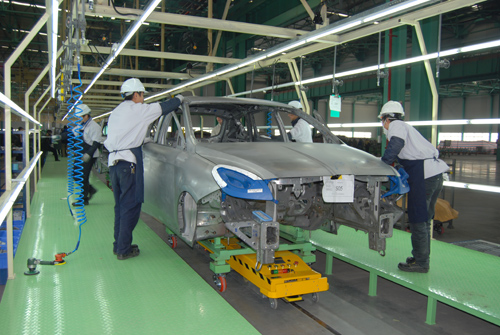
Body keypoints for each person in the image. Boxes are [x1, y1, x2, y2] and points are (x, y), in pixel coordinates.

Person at [104, 78, 183, 260]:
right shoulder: (138, 109)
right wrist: (179, 98)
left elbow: (126, 133)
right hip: (127, 165)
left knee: (120, 207)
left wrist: (140, 140)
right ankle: (124, 250)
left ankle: (119, 245)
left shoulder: (116, 112)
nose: (143, 99)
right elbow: (164, 107)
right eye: (142, 95)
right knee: (130, 207)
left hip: (114, 164)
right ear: (137, 94)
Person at [379, 101, 449, 273]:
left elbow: (395, 145)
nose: (383, 124)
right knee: (424, 220)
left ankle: (421, 263)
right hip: (434, 175)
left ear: (387, 118)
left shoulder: (396, 125)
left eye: (382, 120)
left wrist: (381, 165)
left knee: (418, 219)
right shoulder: (406, 127)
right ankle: (421, 257)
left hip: (423, 175)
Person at [72, 104, 104, 206]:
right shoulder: (81, 125)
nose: (78, 119)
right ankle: (91, 190)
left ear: (86, 115)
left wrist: (88, 154)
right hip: (80, 153)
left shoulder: (94, 127)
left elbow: (96, 143)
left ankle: (84, 199)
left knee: (83, 177)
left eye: (80, 116)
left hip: (89, 154)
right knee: (76, 174)